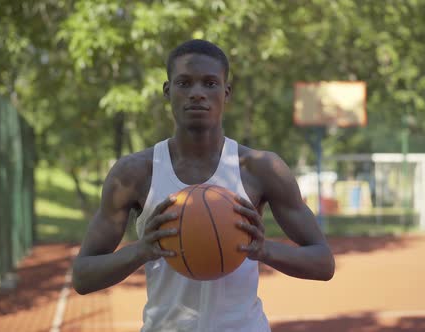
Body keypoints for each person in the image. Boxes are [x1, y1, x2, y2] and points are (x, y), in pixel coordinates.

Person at [72, 39, 335, 332]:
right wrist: (140, 251)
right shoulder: (134, 173)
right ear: (168, 91)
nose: (197, 93)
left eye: (210, 83)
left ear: (226, 92)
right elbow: (83, 276)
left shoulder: (261, 168)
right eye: (184, 83)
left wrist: (265, 250)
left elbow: (323, 263)